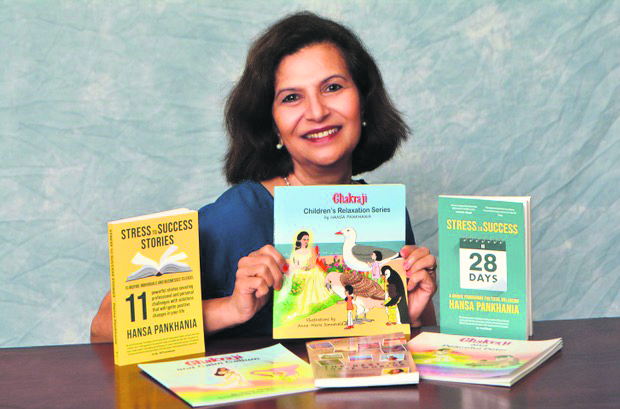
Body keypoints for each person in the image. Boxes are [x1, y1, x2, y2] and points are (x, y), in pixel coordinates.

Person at [90, 11, 437, 342]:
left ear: (363, 101)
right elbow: (105, 328)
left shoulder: (383, 214)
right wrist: (231, 309)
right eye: (291, 97)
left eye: (332, 87)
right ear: (273, 125)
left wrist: (411, 313)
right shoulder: (234, 218)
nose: (317, 112)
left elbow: (402, 342)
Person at [287, 231, 332, 318]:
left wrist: (308, 267)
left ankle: (312, 299)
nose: (306, 241)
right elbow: (294, 265)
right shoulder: (295, 253)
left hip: (310, 269)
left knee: (313, 273)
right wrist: (301, 268)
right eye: (304, 239)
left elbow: (313, 263)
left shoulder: (311, 250)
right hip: (300, 270)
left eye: (307, 239)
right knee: (304, 275)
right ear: (299, 240)